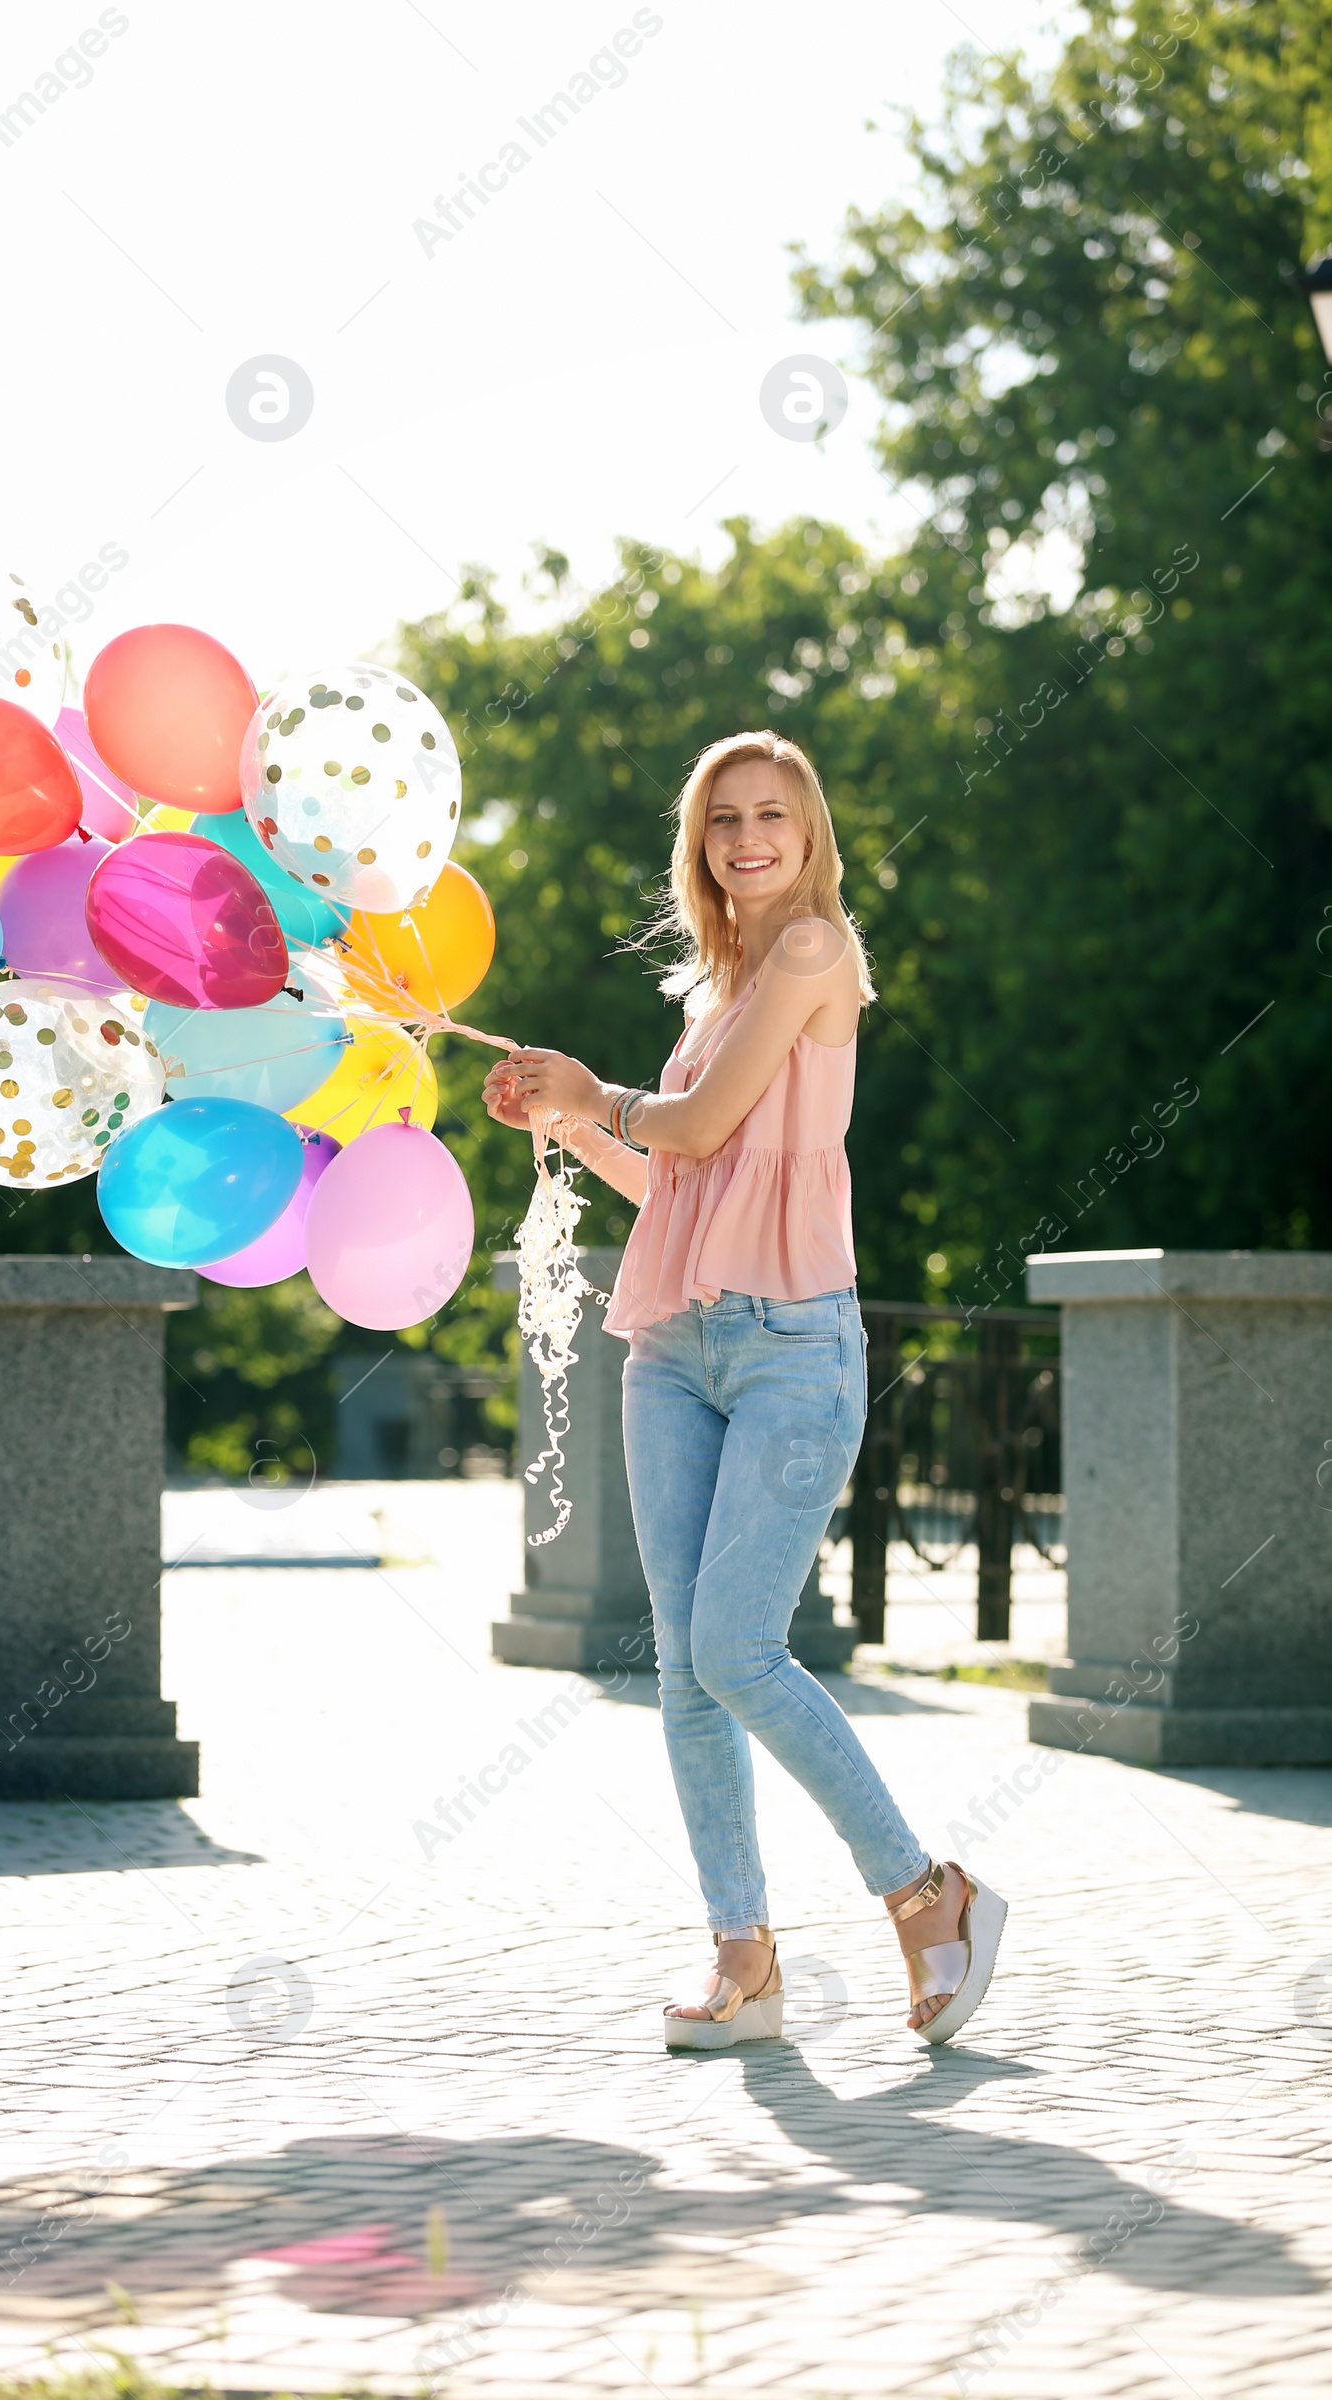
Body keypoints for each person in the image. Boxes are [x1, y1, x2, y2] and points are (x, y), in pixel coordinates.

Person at [483, 730, 1006, 2050]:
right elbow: (680, 1186)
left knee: (736, 1648)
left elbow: (705, 1125)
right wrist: (569, 1123)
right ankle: (743, 1957)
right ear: (700, 843)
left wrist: (595, 1091)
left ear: (811, 831)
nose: (748, 838)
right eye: (724, 820)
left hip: (793, 1352)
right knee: (682, 1665)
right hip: (675, 1350)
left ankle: (926, 1893)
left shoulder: (816, 955)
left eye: (773, 813)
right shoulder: (711, 995)